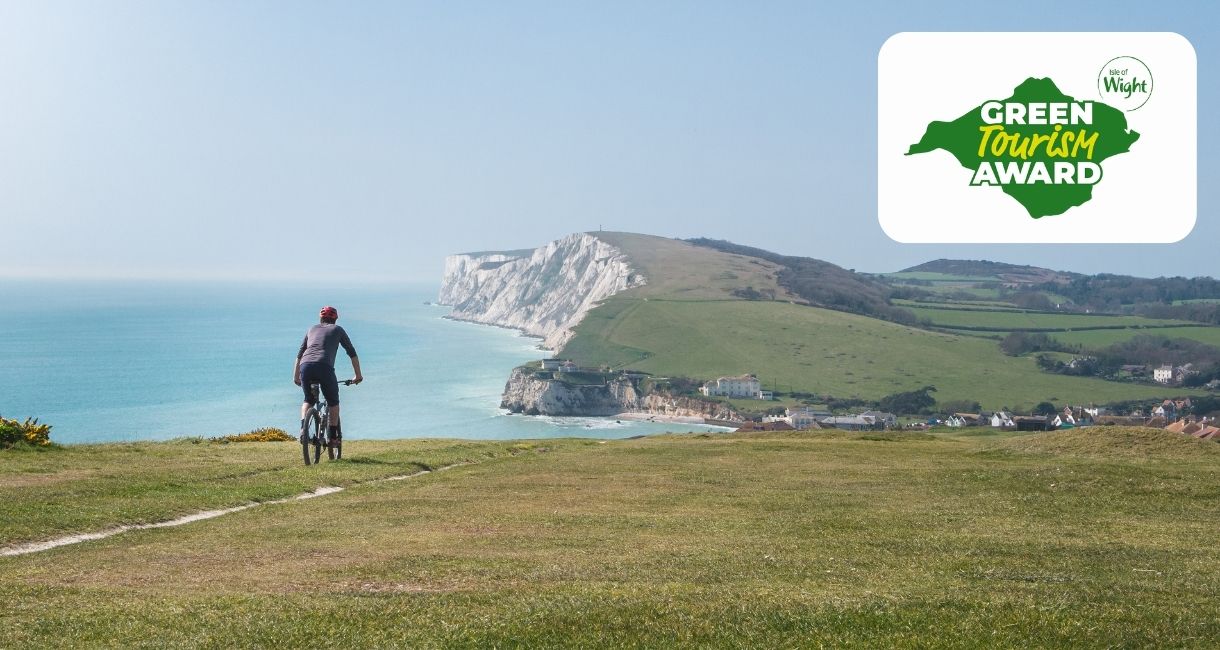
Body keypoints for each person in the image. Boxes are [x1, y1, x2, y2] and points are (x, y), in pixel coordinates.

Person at [294, 306, 362, 447]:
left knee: (308, 399)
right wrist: (358, 375)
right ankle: (333, 438)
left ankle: (303, 430)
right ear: (335, 319)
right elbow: (351, 352)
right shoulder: (338, 330)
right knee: (333, 402)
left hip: (305, 366)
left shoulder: (311, 329)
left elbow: (300, 355)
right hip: (324, 366)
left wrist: (296, 376)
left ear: (320, 318)